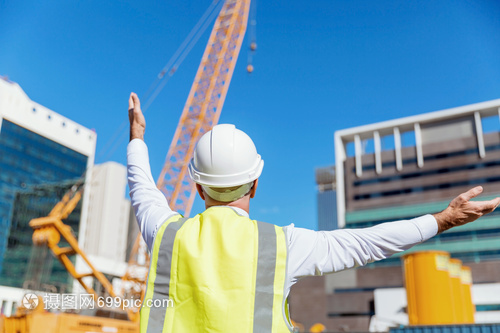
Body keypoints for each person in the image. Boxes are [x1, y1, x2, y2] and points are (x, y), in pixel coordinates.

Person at [127, 92, 500, 333]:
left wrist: (137, 138)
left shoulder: (166, 235)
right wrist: (443, 219)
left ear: (196, 187)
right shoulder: (280, 246)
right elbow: (366, 243)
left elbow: (142, 190)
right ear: (255, 184)